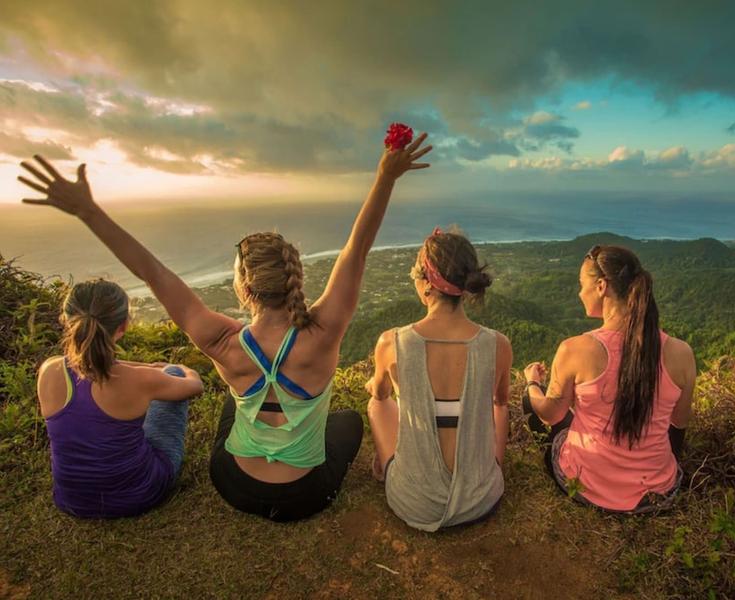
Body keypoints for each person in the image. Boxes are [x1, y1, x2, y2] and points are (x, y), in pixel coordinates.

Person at [18, 135, 432, 521]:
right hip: (304, 496)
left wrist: (88, 211)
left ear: (244, 286)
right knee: (348, 421)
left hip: (233, 483)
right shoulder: (322, 332)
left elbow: (152, 272)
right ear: (294, 278)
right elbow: (356, 250)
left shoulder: (220, 340)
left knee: (235, 403)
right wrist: (385, 176)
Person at [522, 244, 695, 513]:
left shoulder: (575, 348)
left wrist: (532, 383)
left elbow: (549, 415)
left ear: (601, 286)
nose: (580, 292)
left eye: (582, 285)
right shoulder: (681, 353)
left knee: (540, 408)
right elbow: (679, 424)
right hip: (659, 492)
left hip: (589, 487)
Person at [367, 228, 512, 531]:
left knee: (377, 405)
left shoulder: (391, 343)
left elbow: (380, 394)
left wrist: (381, 385)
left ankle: (385, 467)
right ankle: (491, 471)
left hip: (412, 501)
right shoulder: (498, 345)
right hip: (482, 499)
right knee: (497, 408)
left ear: (427, 284)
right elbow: (501, 404)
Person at [36, 279, 203, 518]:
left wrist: (148, 368)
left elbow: (95, 368)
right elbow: (194, 387)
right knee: (173, 375)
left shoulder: (49, 371)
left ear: (65, 320)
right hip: (140, 495)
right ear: (123, 326)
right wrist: (182, 368)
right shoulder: (139, 380)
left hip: (72, 501)